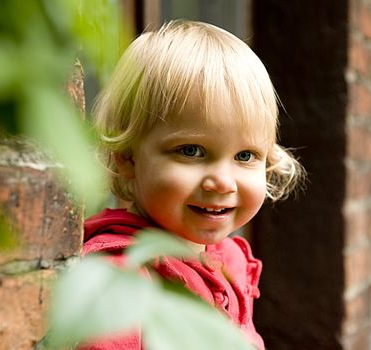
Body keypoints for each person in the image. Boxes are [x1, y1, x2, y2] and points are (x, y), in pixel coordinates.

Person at [81, 20, 304, 350]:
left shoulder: (226, 259)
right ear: (127, 158)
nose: (223, 182)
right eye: (191, 151)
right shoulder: (119, 278)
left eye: (245, 155)